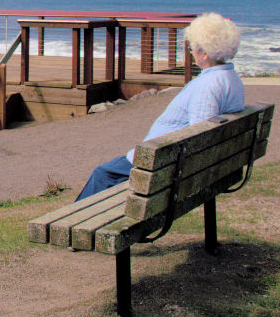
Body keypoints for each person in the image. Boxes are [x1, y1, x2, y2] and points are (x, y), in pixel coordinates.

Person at [75, 12, 245, 200]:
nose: (190, 52)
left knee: (103, 174)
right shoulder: (231, 78)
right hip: (166, 163)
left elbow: (199, 135)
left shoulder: (207, 85)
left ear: (204, 53)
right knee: (108, 171)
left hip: (159, 166)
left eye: (193, 48)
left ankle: (69, 226)